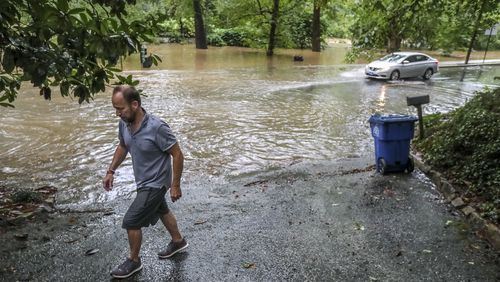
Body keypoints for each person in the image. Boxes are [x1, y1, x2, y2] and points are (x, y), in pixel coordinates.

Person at [103, 86, 188, 279]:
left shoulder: (157, 127)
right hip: (143, 181)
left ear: (135, 104)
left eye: (121, 109)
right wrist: (111, 171)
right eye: (115, 109)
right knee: (161, 210)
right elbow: (123, 146)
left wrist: (175, 185)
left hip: (156, 183)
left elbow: (177, 154)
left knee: (131, 221)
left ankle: (133, 261)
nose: (118, 114)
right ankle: (178, 241)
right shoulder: (125, 123)